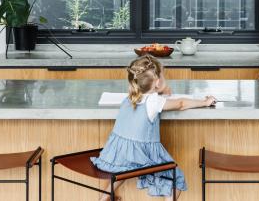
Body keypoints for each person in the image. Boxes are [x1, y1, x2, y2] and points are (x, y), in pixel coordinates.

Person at [91, 55, 216, 201]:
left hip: (115, 156)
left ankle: (104, 197)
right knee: (175, 178)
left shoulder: (131, 96)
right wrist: (205, 102)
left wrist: (161, 92)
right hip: (143, 156)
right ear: (156, 82)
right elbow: (181, 104)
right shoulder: (153, 101)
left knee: (123, 169)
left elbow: (150, 99)